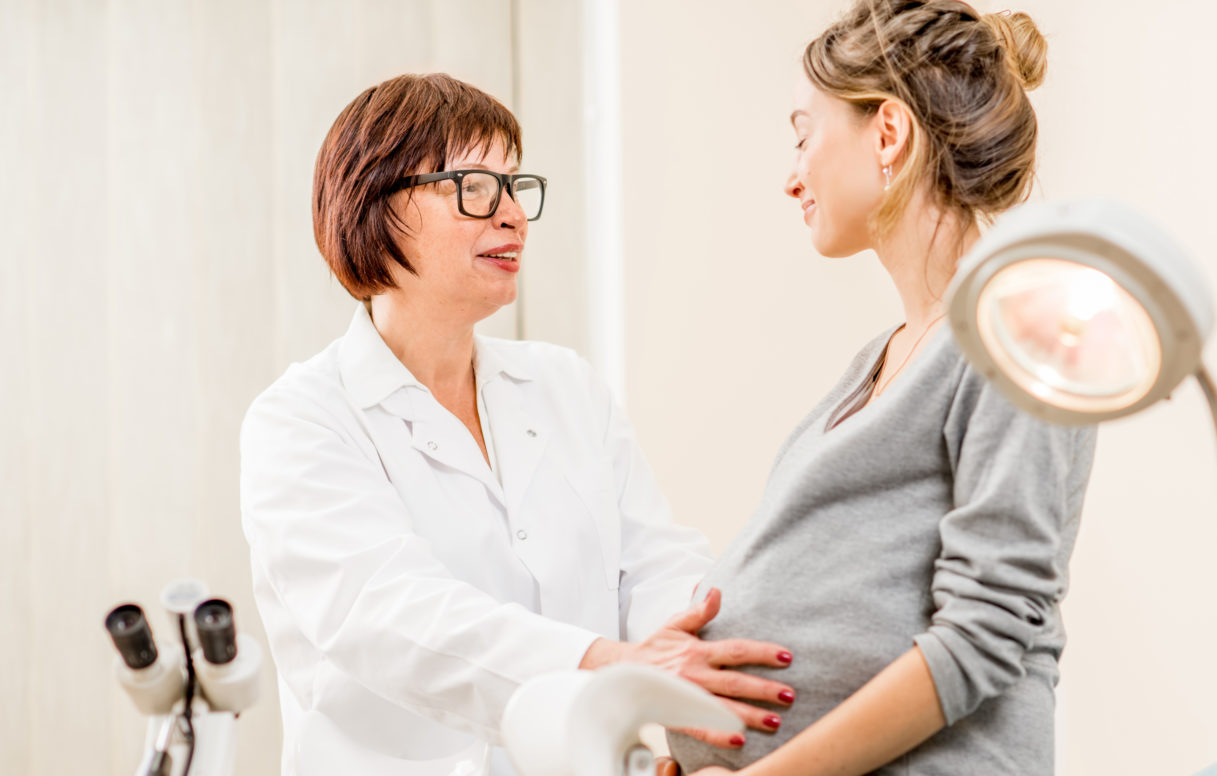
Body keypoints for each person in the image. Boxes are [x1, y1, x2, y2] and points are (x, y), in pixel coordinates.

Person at [239, 73, 793, 776]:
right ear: (372, 202)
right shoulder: (301, 421)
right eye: (474, 186)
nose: (512, 216)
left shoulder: (565, 387)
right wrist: (610, 666)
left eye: (514, 185)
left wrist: (706, 685)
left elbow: (655, 568)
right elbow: (392, 617)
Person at [667, 2, 1095, 774]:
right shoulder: (881, 357)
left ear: (888, 133)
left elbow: (985, 633)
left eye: (804, 134)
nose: (791, 176)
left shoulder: (1016, 327)